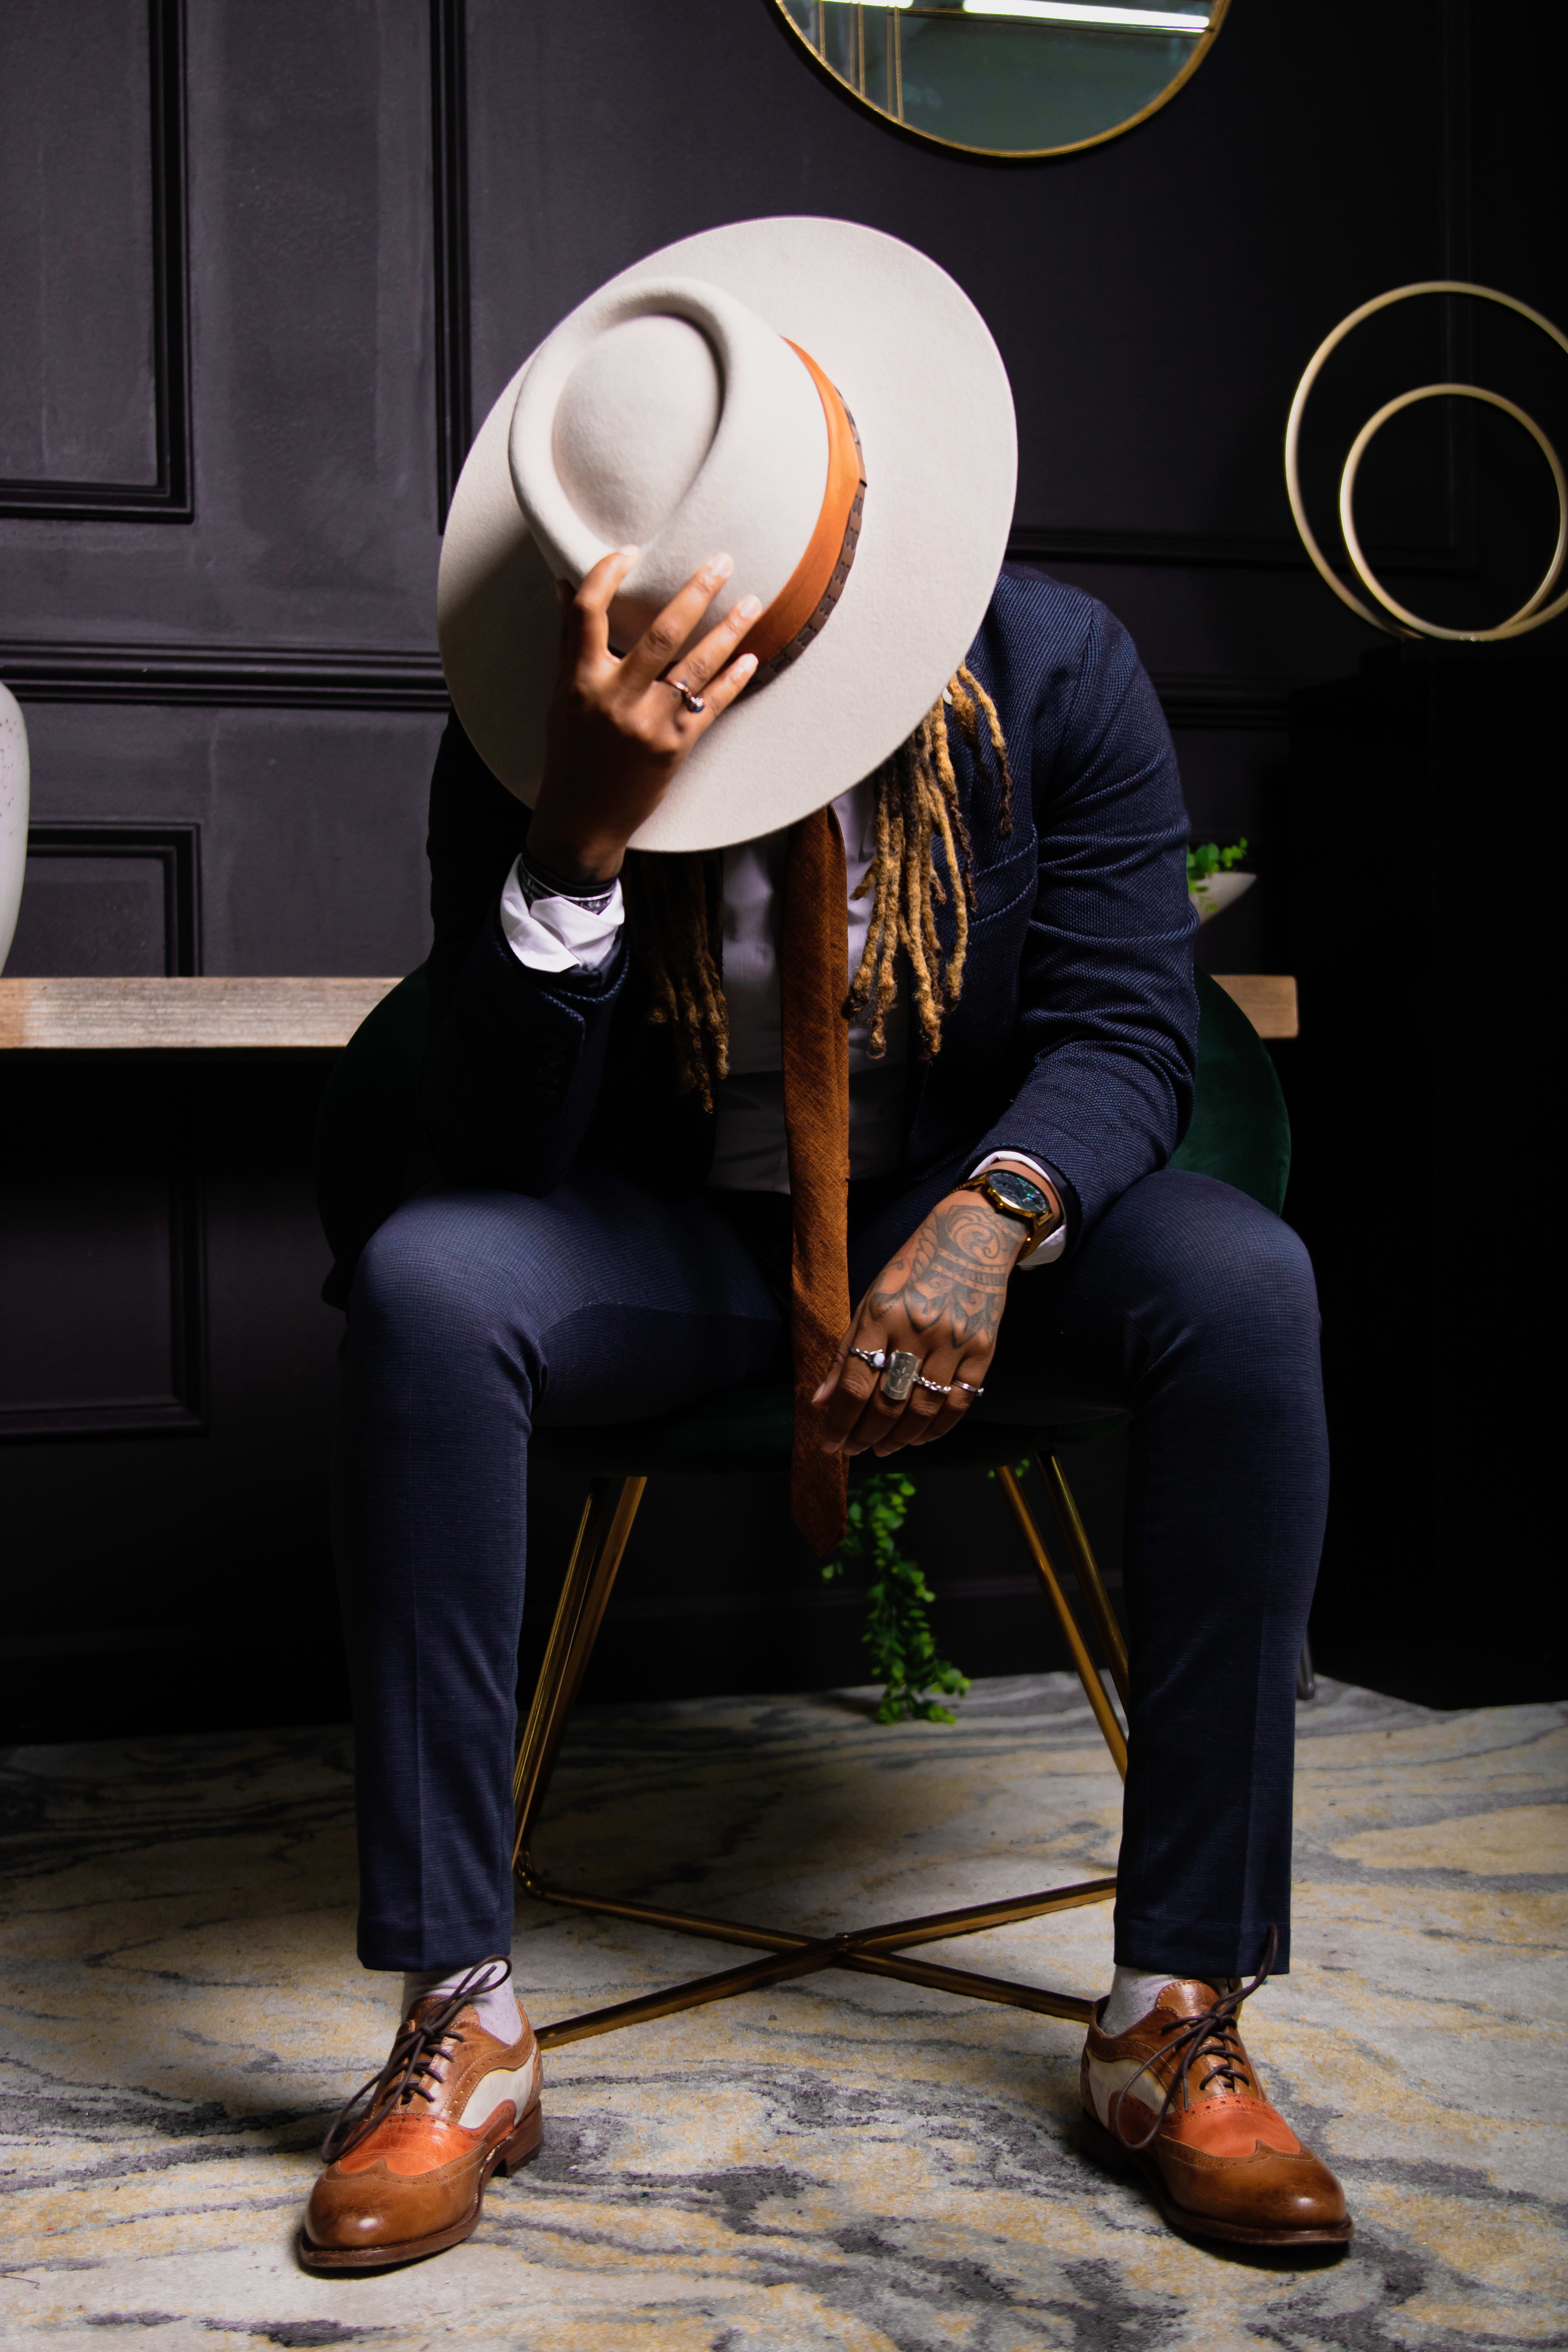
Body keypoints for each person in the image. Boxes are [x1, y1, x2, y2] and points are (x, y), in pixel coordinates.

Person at [298, 221, 1347, 2272]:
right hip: (676, 1240)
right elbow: (497, 1149)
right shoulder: (528, 710)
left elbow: (1135, 1021)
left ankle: (1178, 2010)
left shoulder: (1061, 673)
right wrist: (575, 846)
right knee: (433, 1280)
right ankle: (459, 2020)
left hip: (973, 1214)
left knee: (1248, 1286)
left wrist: (995, 1217)